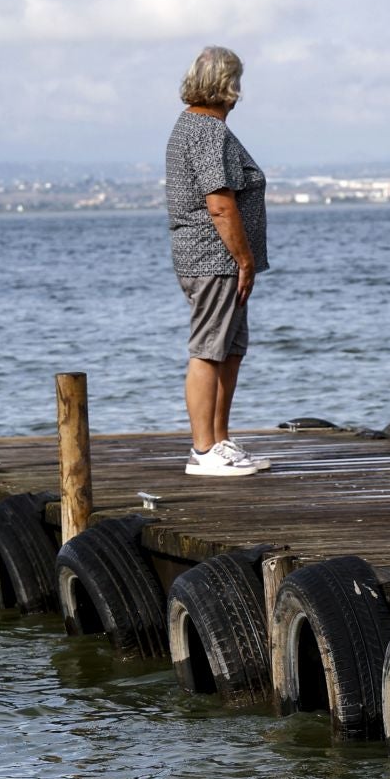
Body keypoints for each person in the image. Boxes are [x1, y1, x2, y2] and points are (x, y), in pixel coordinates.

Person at [166, 45, 271, 477]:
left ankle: (220, 440)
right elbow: (219, 204)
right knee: (209, 350)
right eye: (237, 84)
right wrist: (244, 259)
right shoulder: (206, 131)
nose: (238, 94)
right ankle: (203, 449)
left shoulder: (195, 127)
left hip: (218, 260)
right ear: (228, 87)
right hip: (214, 258)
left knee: (229, 349)